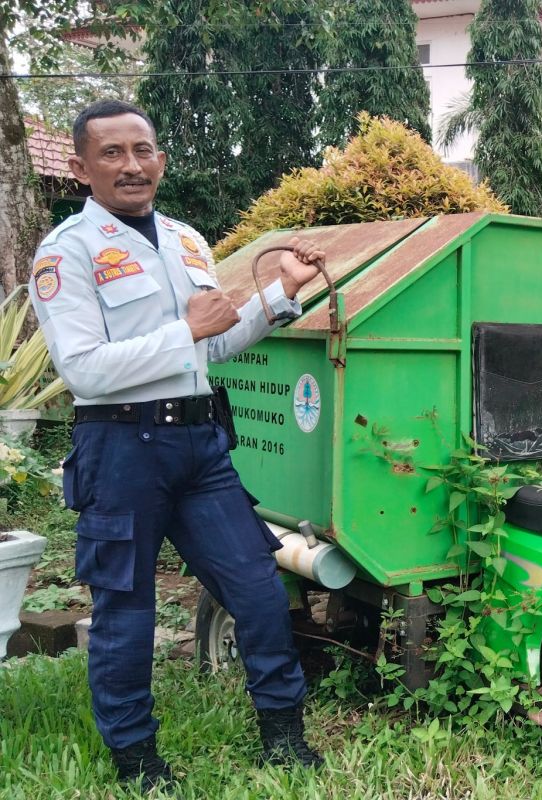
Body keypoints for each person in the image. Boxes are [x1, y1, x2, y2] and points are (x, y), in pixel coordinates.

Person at [28, 99, 324, 793]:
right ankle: (138, 762)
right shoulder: (65, 252)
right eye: (112, 153)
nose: (131, 165)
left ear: (160, 158)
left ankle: (285, 737)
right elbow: (84, 369)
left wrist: (280, 296)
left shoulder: (189, 240)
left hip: (199, 445)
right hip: (121, 447)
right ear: (80, 167)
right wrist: (185, 332)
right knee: (126, 608)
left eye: (143, 150)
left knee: (256, 589)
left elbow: (213, 342)